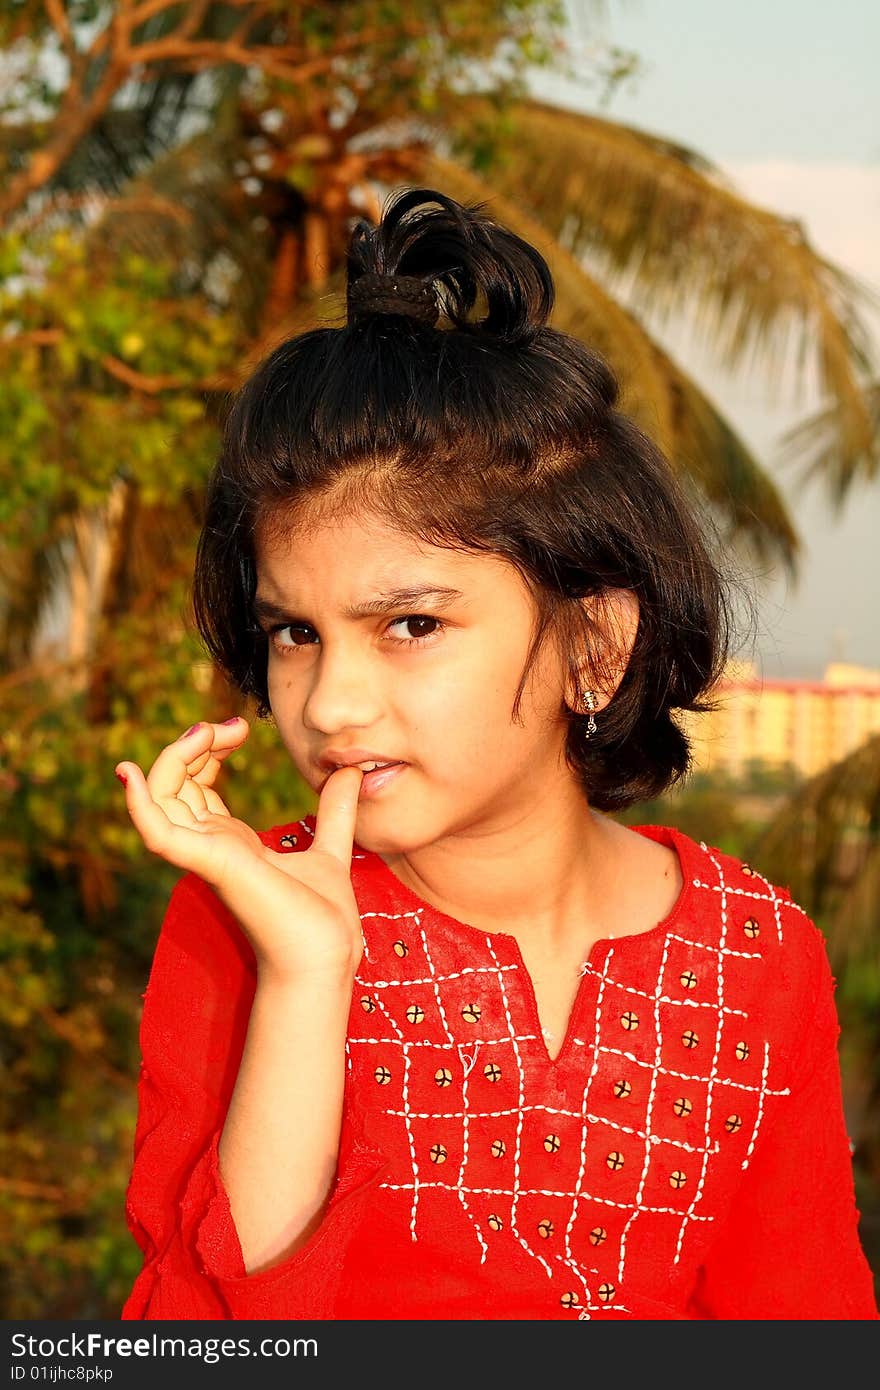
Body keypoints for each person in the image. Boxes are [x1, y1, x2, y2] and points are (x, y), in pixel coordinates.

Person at [115, 187, 878, 1321]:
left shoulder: (761, 958)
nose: (330, 699)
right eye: (295, 632)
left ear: (595, 644)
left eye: (410, 625)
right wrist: (308, 975)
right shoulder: (243, 923)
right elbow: (217, 1329)